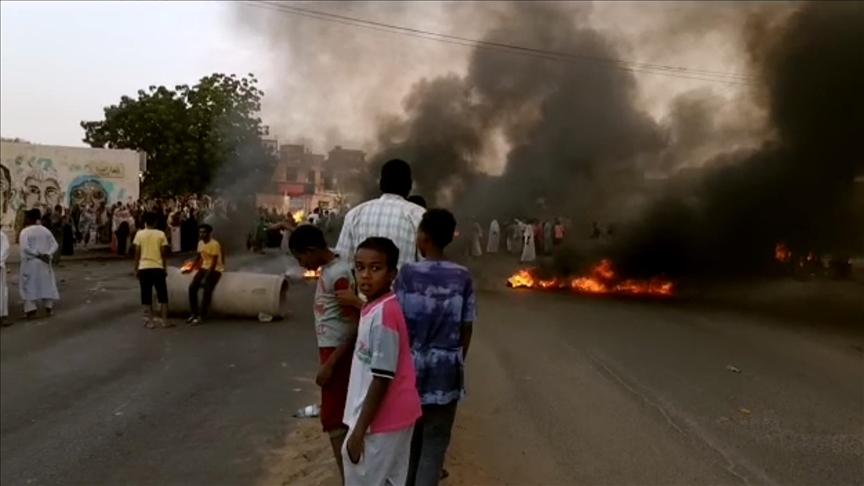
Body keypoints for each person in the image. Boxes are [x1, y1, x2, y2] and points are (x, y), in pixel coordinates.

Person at [395, 209, 475, 486]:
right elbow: (467, 328)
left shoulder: (407, 274)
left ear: (424, 238)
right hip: (447, 371)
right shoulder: (462, 276)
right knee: (435, 444)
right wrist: (456, 361)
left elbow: (397, 323)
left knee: (410, 444)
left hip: (411, 369)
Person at [342, 237, 421, 485]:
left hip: (382, 420)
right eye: (360, 267)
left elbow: (382, 377)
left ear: (392, 274)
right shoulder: (373, 307)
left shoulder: (385, 313)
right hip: (387, 417)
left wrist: (358, 431)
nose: (365, 275)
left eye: (375, 268)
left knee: (364, 478)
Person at [288, 224, 359, 482]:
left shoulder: (339, 274)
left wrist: (331, 364)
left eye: (300, 257)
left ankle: (349, 478)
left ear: (311, 250)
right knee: (337, 415)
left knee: (333, 418)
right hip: (333, 351)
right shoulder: (334, 265)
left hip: (339, 354)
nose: (301, 263)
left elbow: (355, 322)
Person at [336, 159, 426, 270]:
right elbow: (426, 266)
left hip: (363, 286)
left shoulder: (354, 214)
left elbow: (343, 264)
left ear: (381, 183)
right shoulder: (419, 216)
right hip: (405, 287)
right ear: (409, 185)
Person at [18, 209, 59, 318]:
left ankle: (31, 310)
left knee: (29, 285)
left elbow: (25, 248)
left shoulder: (25, 232)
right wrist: (48, 254)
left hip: (31, 262)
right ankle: (48, 308)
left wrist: (38, 254)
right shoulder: (45, 230)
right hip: (44, 262)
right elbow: (55, 245)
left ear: (29, 218)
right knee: (46, 284)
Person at [133, 212, 171, 329]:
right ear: (155, 222)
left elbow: (137, 253)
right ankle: (164, 321)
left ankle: (150, 322)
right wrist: (165, 267)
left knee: (146, 295)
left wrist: (136, 268)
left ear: (145, 222)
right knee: (163, 295)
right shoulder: (161, 234)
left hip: (144, 267)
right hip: (158, 267)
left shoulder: (139, 234)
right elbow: (164, 253)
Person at [187, 224, 224, 325]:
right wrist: (191, 268)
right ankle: (194, 313)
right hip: (204, 267)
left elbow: (214, 263)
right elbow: (198, 257)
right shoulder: (200, 243)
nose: (201, 234)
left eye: (203, 232)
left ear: (209, 233)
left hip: (215, 269)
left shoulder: (214, 244)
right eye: (200, 232)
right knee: (192, 287)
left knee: (207, 289)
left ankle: (202, 315)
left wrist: (206, 277)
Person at [1, 230, 9, 324]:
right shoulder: (2, 235)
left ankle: (3, 316)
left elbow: (5, 250)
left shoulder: (2, 235)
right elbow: (6, 249)